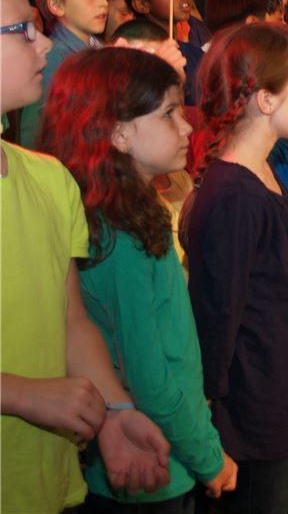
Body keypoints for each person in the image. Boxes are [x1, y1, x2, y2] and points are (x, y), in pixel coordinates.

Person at [1, 0, 172, 513]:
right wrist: (19, 393)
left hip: (47, 483)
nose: (44, 41)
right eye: (21, 31)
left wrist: (116, 413)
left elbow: (71, 321)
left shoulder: (50, 179)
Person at [38, 48, 238, 509]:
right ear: (120, 134)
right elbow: (150, 375)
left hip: (163, 454)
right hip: (149, 466)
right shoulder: (118, 238)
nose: (187, 125)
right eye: (169, 113)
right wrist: (208, 456)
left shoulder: (132, 213)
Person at [185, 23, 288, 513]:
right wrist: (209, 412)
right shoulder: (232, 194)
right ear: (265, 100)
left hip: (282, 398)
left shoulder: (261, 175)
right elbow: (217, 313)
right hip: (254, 411)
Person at [20, 0, 107, 144]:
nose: (104, 3)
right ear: (57, 5)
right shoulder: (53, 58)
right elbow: (34, 131)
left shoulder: (98, 51)